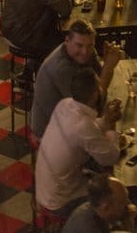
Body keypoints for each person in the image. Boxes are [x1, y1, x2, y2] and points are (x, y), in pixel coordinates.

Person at [34, 67, 122, 217]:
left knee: (97, 175)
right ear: (95, 95)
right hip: (60, 202)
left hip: (44, 190)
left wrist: (105, 120)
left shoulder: (65, 104)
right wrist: (111, 126)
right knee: (114, 195)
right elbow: (111, 157)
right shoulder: (83, 126)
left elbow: (88, 129)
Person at [31, 19, 124, 140]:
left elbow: (98, 82)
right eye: (79, 45)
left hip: (72, 118)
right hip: (50, 131)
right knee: (109, 144)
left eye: (90, 46)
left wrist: (107, 65)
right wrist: (109, 67)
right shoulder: (62, 68)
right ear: (67, 41)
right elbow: (91, 104)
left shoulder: (85, 50)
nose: (84, 52)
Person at [62, 173, 137, 233]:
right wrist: (128, 221)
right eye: (122, 202)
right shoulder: (87, 226)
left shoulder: (101, 212)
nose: (128, 204)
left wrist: (128, 220)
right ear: (106, 207)